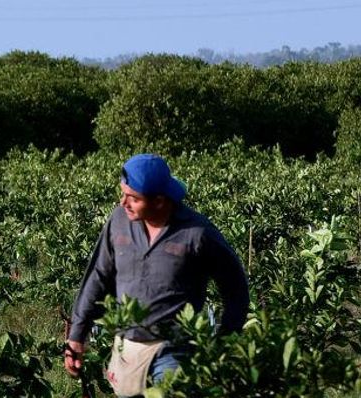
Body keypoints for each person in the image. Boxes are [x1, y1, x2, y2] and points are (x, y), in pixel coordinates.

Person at [64, 154, 248, 394]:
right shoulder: (119, 221)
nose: (123, 203)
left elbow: (235, 288)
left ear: (160, 201)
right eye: (123, 194)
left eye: (133, 198)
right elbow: (99, 276)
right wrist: (77, 335)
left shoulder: (198, 233)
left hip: (175, 348)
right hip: (128, 345)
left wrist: (224, 343)